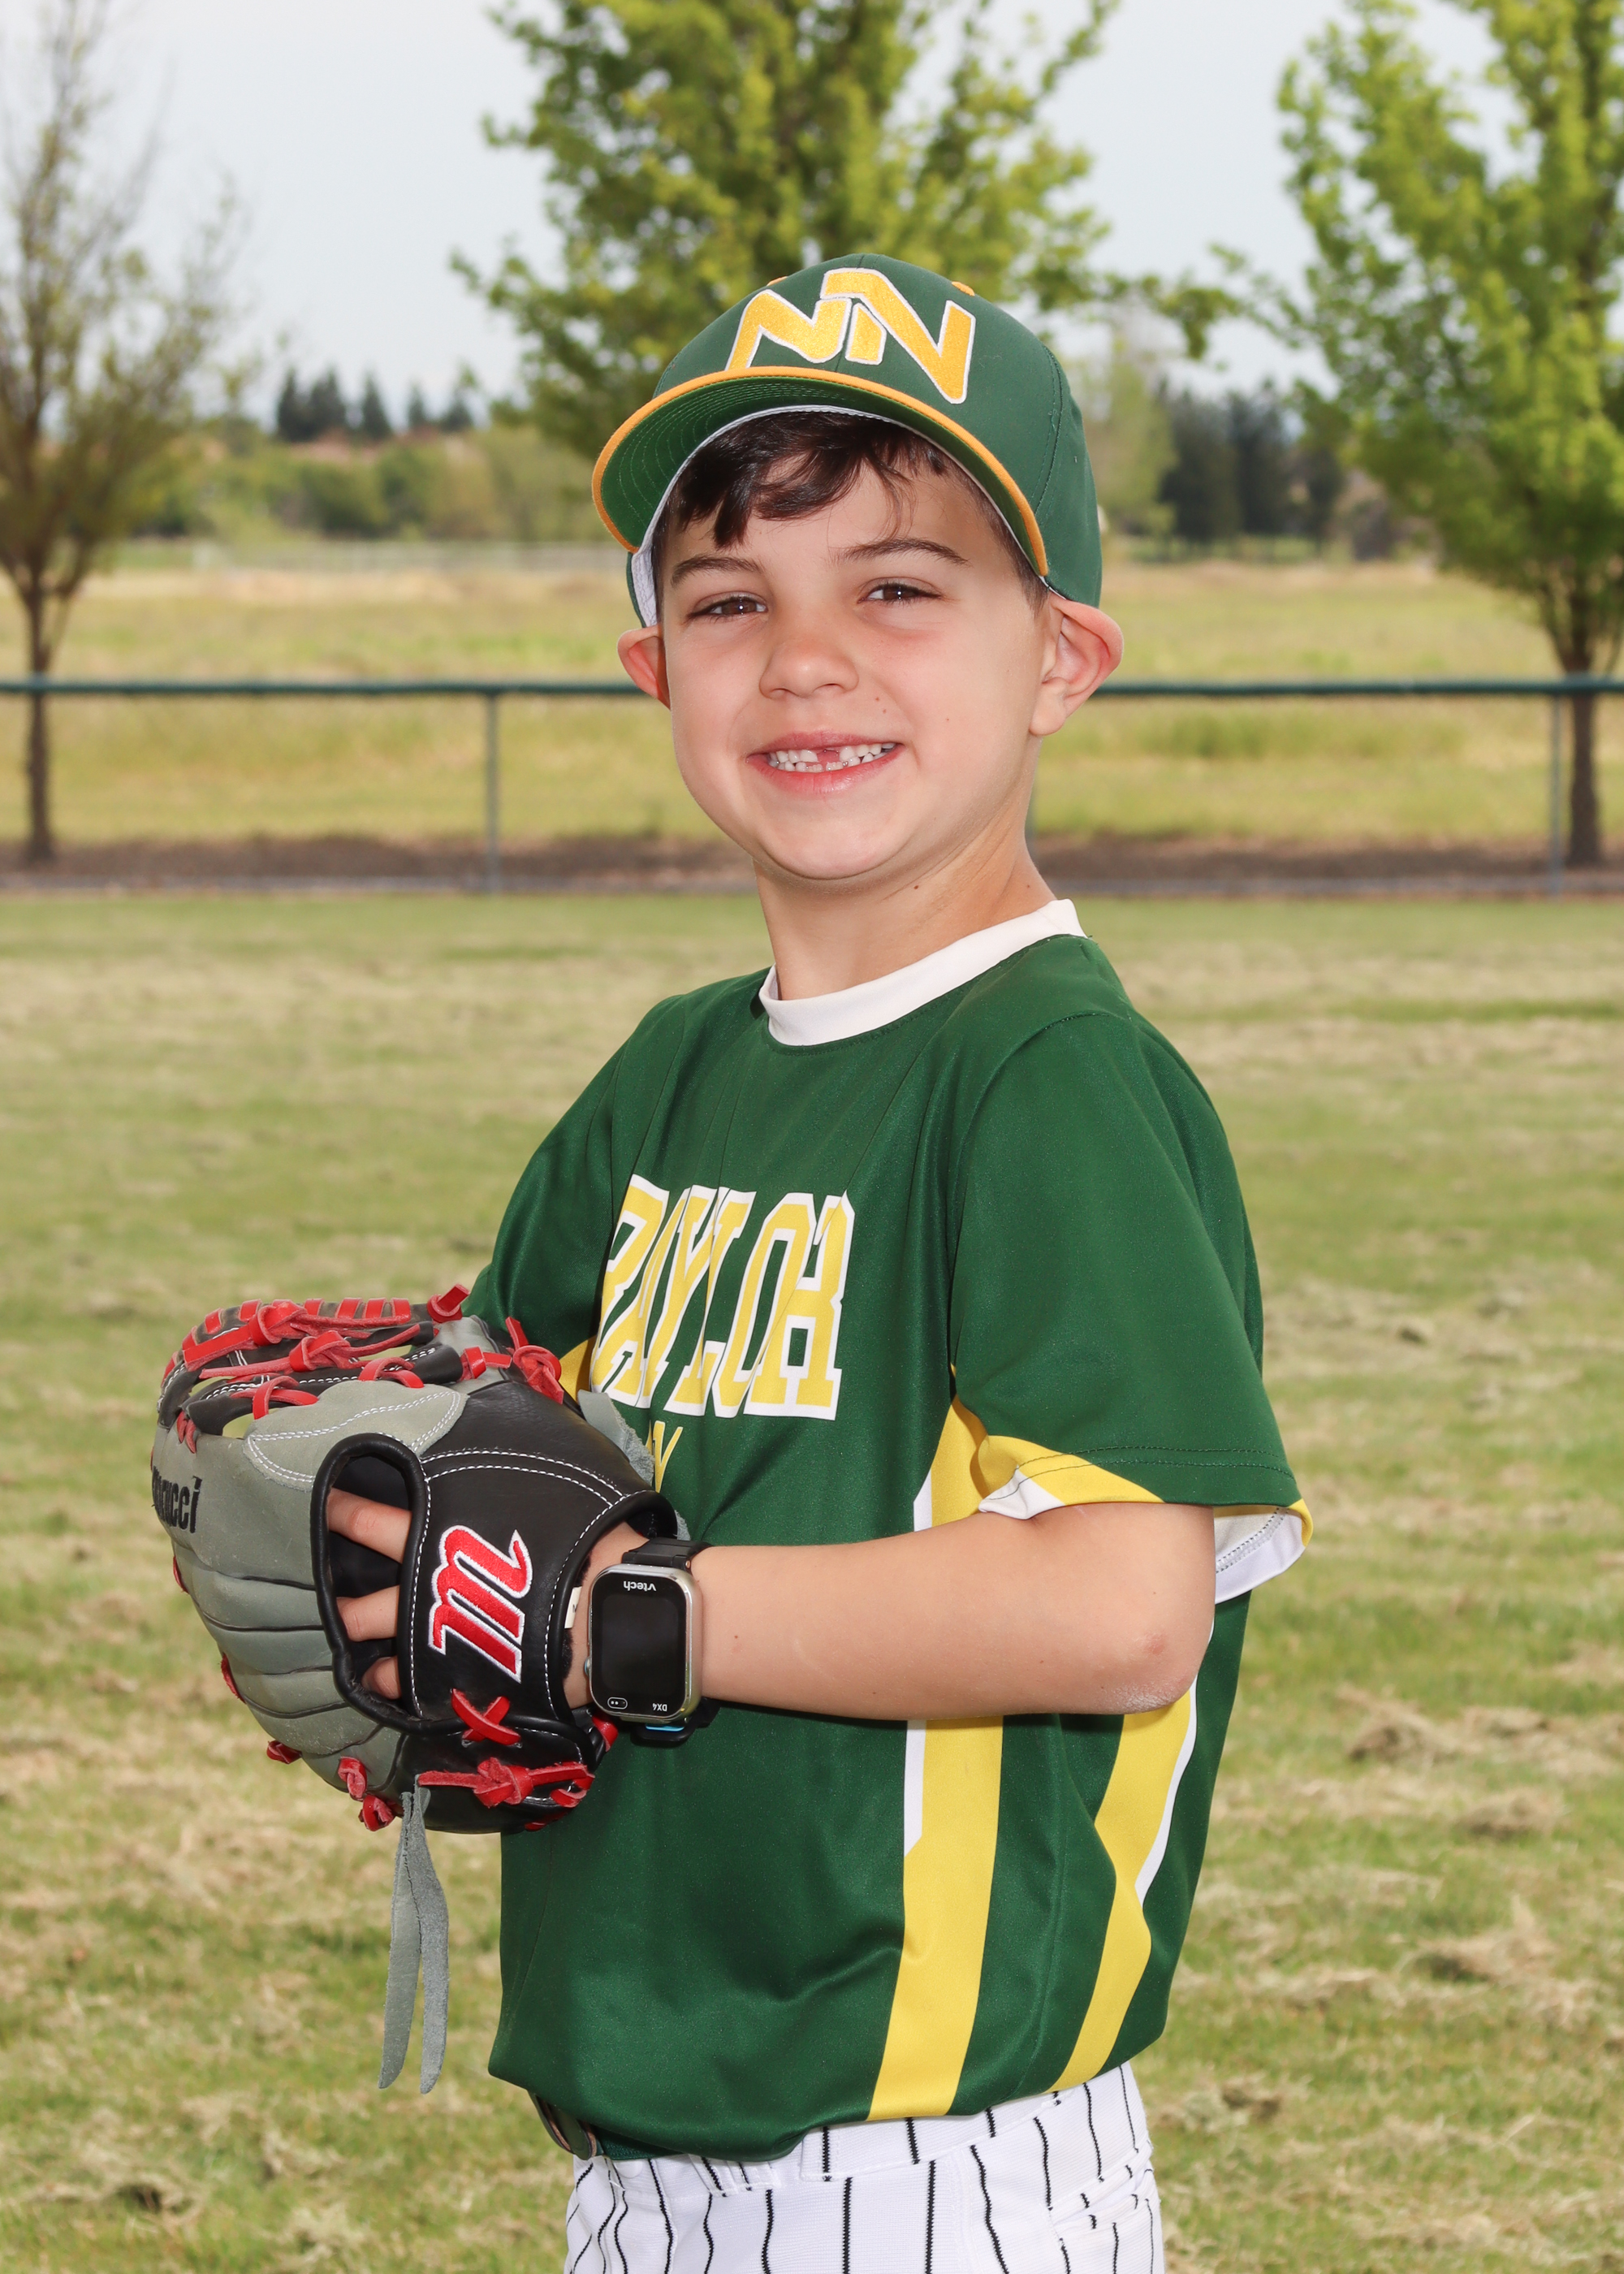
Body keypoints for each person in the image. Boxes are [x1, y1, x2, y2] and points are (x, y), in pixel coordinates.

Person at [328, 254, 1310, 2272]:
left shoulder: (1045, 1078)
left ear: (1061, 658)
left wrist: (624, 1624)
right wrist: (371, 1518)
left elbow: (1121, 1603)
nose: (803, 662)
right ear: (650, 672)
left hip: (929, 2157)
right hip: (646, 2132)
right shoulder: (672, 1074)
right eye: (727, 602)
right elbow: (491, 1425)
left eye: (897, 587)